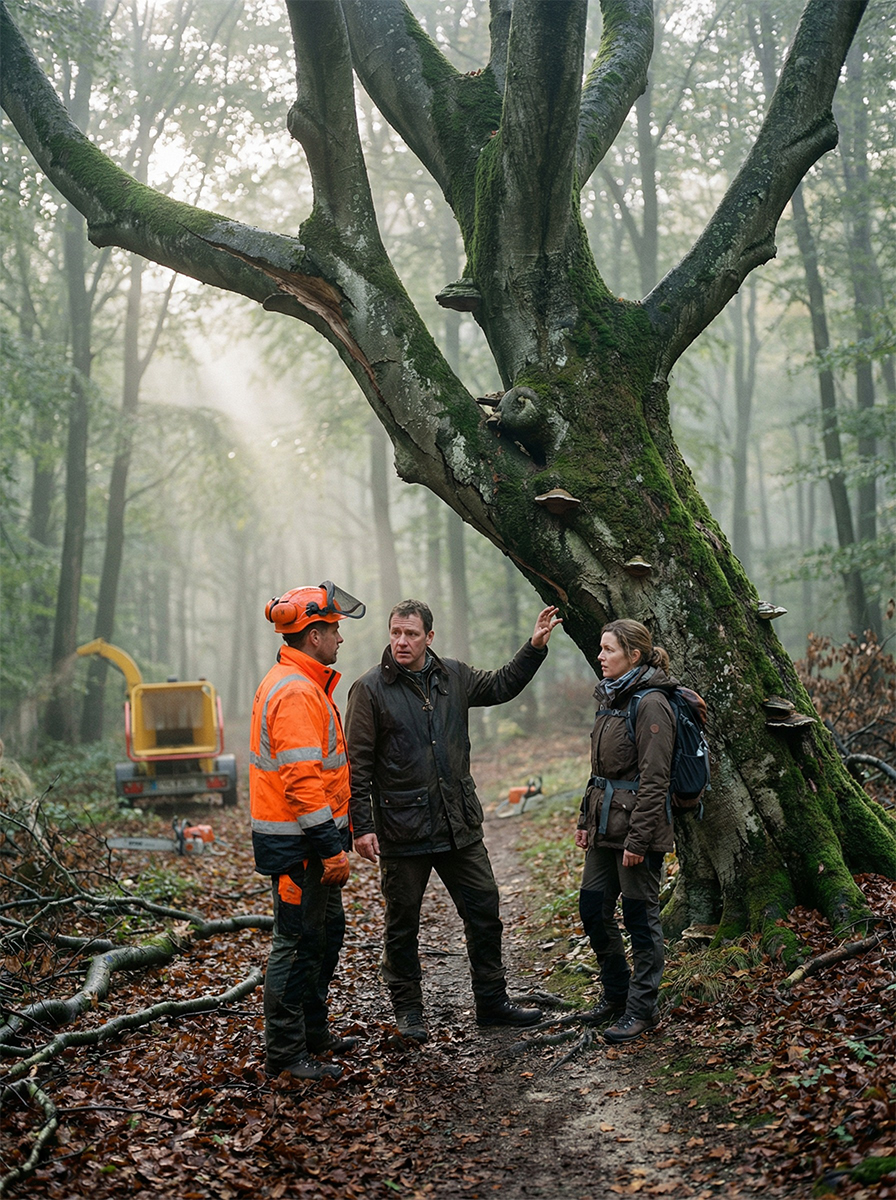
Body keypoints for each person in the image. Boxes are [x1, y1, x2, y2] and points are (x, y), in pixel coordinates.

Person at [346, 598, 562, 1042]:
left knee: (484, 908)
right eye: (395, 633)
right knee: (402, 923)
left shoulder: (454, 677)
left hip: (457, 822)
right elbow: (357, 764)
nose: (401, 642)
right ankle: (408, 1011)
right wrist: (362, 825)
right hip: (402, 830)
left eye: (410, 634)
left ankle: (492, 1002)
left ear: (429, 636)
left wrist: (534, 647)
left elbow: (502, 684)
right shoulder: (369, 690)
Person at [250, 581, 365, 1080]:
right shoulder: (296, 692)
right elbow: (302, 784)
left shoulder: (303, 682)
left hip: (313, 843)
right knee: (295, 943)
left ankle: (313, 1031)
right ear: (314, 634)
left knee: (325, 935)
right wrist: (330, 849)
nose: (340, 638)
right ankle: (286, 1053)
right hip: (299, 848)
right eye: (335, 629)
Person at [575, 618, 677, 1044]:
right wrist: (584, 820)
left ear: (633, 655)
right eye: (600, 649)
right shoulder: (610, 697)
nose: (600, 656)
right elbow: (599, 770)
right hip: (603, 828)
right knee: (592, 908)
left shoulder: (651, 703)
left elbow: (657, 779)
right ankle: (616, 995)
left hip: (637, 832)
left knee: (640, 919)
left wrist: (638, 841)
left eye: (608, 650)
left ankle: (642, 1009)